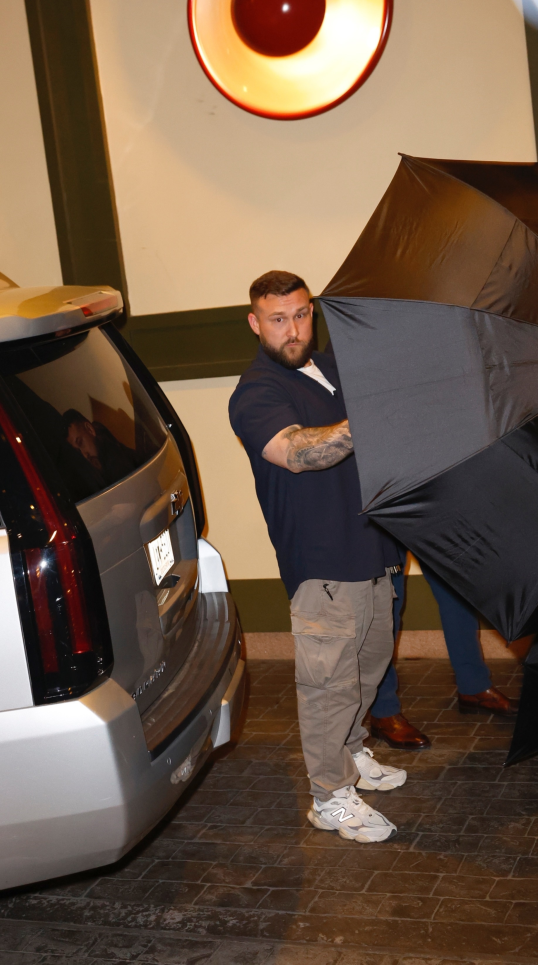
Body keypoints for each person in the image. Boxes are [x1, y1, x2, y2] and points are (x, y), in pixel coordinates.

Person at [229, 270, 406, 844]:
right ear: (256, 323)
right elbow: (298, 452)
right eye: (278, 319)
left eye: (302, 315)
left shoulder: (331, 367)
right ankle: (329, 796)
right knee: (329, 685)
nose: (293, 329)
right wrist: (370, 420)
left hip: (373, 546)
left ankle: (352, 755)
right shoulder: (255, 391)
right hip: (322, 561)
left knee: (369, 666)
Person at [370, 557, 518, 749]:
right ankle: (384, 710)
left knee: (456, 592)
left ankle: (473, 686)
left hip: (432, 535)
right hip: (385, 536)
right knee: (388, 602)